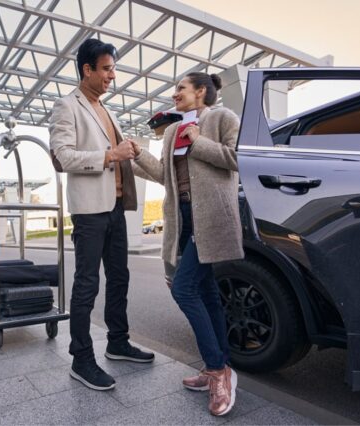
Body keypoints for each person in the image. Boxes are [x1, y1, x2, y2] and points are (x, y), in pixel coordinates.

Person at [131, 72, 243, 416]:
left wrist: (198, 142)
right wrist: (137, 154)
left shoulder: (223, 117)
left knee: (183, 289)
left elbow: (238, 159)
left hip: (213, 217)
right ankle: (221, 364)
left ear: (200, 91)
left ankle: (216, 369)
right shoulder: (174, 130)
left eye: (180, 87)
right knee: (205, 291)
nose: (174, 93)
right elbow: (164, 175)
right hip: (183, 217)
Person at [48, 38, 155, 391]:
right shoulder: (67, 106)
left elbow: (118, 154)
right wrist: (110, 155)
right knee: (86, 284)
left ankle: (118, 342)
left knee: (119, 278)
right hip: (90, 213)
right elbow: (63, 157)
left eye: (113, 69)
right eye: (106, 69)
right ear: (87, 70)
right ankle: (81, 359)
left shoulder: (107, 111)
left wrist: (129, 152)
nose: (112, 76)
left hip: (114, 210)